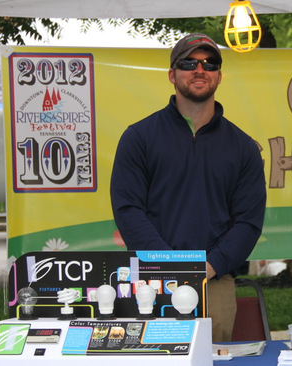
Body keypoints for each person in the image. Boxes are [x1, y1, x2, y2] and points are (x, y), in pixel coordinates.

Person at [111, 34, 267, 341]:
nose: (199, 70)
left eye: (210, 64)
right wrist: (170, 266)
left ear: (219, 76)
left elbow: (248, 222)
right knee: (152, 363)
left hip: (214, 282)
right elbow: (128, 210)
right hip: (151, 281)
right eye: (188, 63)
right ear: (172, 74)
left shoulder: (243, 148)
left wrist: (208, 267)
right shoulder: (138, 138)